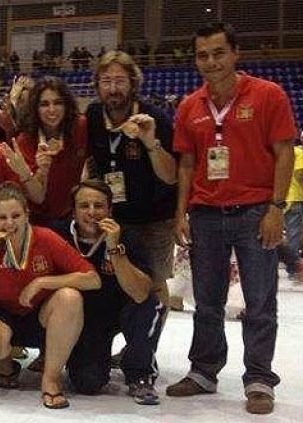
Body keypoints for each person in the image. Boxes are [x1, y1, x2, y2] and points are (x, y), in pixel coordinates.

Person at [169, 22, 297, 415]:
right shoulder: (190, 105)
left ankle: (259, 378)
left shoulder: (267, 95)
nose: (211, 62)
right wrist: (181, 212)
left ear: (235, 53)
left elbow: (285, 153)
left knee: (259, 302)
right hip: (206, 214)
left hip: (256, 212)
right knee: (206, 302)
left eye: (218, 53)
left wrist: (277, 208)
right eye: (203, 55)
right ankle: (204, 371)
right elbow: (187, 166)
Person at [0, 182, 99, 409]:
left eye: (16, 215)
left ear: (27, 214)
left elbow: (92, 279)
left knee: (70, 297)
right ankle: (6, 368)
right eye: (2, 217)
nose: (9, 223)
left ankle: (50, 379)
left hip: (40, 314)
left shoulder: (45, 238)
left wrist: (42, 281)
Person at [58, 180, 164, 405]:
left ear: (110, 210)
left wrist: (115, 249)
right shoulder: (59, 235)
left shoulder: (128, 236)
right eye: (84, 206)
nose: (92, 212)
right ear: (73, 211)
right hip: (84, 319)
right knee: (88, 383)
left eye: (99, 206)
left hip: (124, 311)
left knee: (149, 305)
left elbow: (140, 292)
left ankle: (140, 373)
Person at [86, 50, 177, 311]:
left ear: (132, 83)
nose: (113, 88)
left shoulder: (154, 118)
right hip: (114, 217)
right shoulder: (93, 116)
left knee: (155, 283)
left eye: (120, 80)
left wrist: (150, 143)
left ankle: (147, 348)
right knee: (119, 280)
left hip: (155, 218)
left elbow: (171, 176)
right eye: (106, 81)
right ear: (97, 85)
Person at [15, 76, 88, 224]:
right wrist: (42, 171)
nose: (52, 110)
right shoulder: (25, 141)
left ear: (66, 105)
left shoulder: (80, 127)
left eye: (58, 103)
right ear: (35, 108)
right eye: (44, 104)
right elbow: (35, 196)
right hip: (37, 219)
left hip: (72, 216)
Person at [277, 132, 303, 282]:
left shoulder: (277, 153)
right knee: (293, 234)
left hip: (282, 198)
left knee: (282, 235)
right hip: (294, 197)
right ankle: (294, 268)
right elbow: (300, 175)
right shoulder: (298, 152)